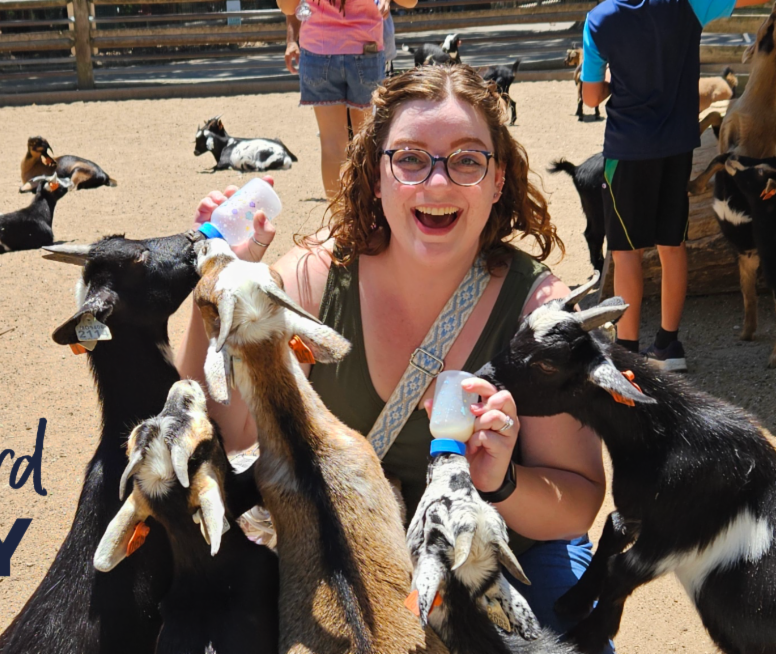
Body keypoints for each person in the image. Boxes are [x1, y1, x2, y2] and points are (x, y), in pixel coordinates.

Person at [176, 65, 609, 645]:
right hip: (349, 558)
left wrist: (502, 481)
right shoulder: (312, 281)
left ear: (498, 179)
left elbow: (576, 504)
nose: (437, 183)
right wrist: (217, 284)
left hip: (502, 561)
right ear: (376, 175)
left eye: (467, 160)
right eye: (409, 159)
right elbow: (218, 430)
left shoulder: (538, 311)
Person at [580, 0, 766, 370]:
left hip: (627, 149)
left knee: (626, 253)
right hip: (677, 148)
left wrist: (618, 77)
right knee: (672, 244)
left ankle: (628, 353)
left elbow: (591, 98)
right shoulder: (690, 4)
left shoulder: (599, 19)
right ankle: (669, 345)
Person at [279, 0, 416, 199]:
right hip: (365, 48)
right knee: (365, 142)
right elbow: (410, 2)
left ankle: (340, 215)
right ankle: (364, 212)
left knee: (332, 145)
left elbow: (287, 7)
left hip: (318, 50)